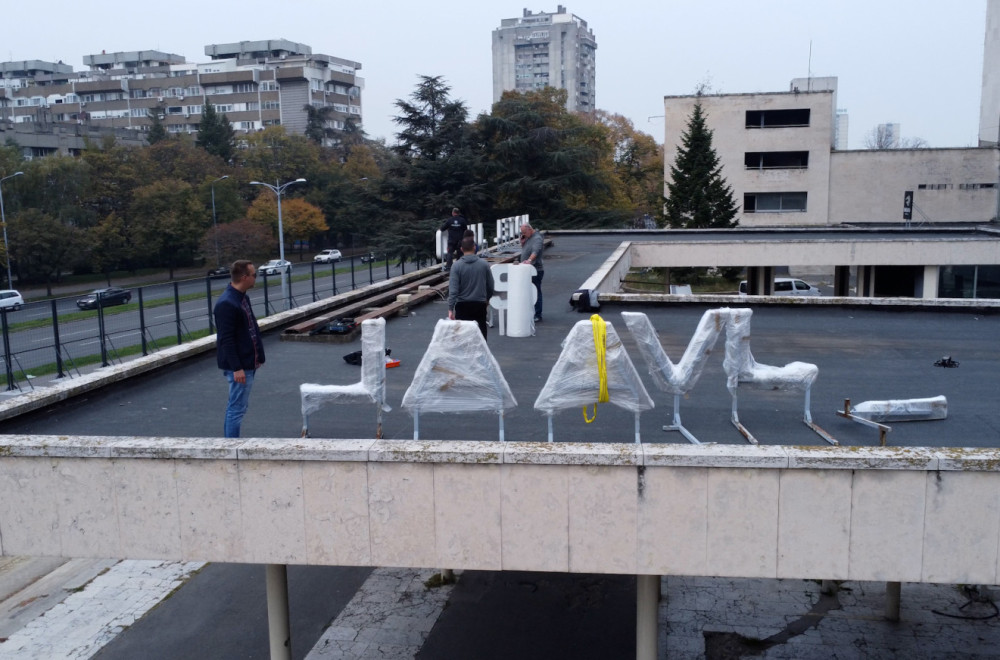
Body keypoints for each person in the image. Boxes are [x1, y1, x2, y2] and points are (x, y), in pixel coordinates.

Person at [214, 260, 265, 438]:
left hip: (248, 363)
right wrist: (237, 368)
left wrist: (258, 356)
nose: (255, 278)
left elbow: (251, 329)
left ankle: (231, 444)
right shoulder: (227, 303)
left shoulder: (242, 297)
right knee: (236, 408)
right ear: (244, 277)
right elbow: (226, 340)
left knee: (239, 406)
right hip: (239, 367)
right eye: (253, 274)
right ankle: (231, 447)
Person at [448, 236, 495, 339]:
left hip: (462, 306)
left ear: (461, 249)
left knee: (463, 339)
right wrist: (487, 299)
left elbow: (453, 290)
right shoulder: (484, 265)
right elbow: (491, 286)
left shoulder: (456, 266)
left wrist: (451, 308)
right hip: (479, 305)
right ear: (474, 247)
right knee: (481, 338)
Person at [518, 223, 545, 322]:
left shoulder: (537, 238)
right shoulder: (529, 237)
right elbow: (528, 250)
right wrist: (523, 243)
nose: (523, 234)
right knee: (530, 291)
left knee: (536, 291)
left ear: (530, 229)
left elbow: (535, 251)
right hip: (528, 269)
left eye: (524, 232)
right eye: (522, 233)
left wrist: (529, 260)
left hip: (535, 270)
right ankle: (533, 312)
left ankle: (538, 314)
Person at [439, 207, 469, 272]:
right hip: (460, 240)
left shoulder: (449, 220)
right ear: (458, 213)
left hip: (451, 240)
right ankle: (459, 267)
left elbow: (442, 228)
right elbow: (466, 230)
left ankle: (449, 267)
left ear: (453, 213)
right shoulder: (462, 220)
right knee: (460, 254)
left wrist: (439, 230)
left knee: (450, 253)